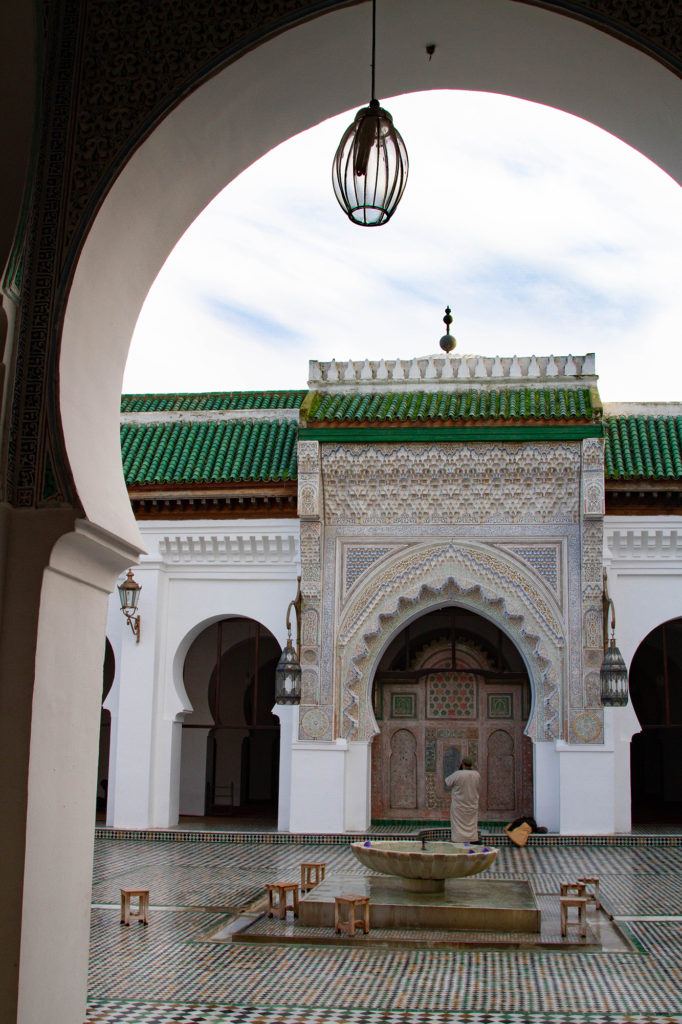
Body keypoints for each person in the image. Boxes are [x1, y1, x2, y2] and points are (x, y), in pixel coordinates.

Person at [445, 757, 480, 843]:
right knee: (471, 823)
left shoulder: (457, 774)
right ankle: (472, 839)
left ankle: (458, 840)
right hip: (472, 804)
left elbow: (447, 782)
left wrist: (460, 770)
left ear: (462, 764)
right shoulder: (476, 774)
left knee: (457, 825)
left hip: (459, 806)